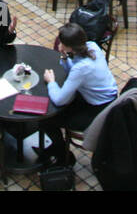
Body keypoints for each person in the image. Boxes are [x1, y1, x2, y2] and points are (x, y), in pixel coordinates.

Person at [40, 23, 117, 165]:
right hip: (108, 98)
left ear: (69, 46)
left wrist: (51, 82)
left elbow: (59, 100)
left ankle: (63, 156)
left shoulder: (82, 68)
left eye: (62, 43)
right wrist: (64, 57)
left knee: (47, 118)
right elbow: (72, 67)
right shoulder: (92, 46)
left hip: (99, 110)